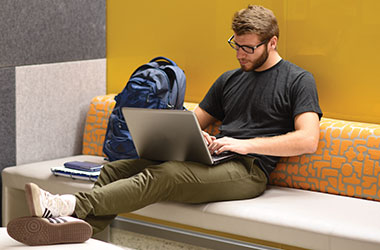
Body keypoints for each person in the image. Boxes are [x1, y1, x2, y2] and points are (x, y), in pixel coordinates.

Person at [7, 5, 322, 246]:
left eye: (248, 48)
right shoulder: (230, 79)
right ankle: (79, 234)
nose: (240, 54)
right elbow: (194, 120)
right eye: (236, 45)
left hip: (250, 170)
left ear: (272, 43)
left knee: (166, 174)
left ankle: (65, 206)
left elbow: (308, 140)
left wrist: (244, 144)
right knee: (116, 169)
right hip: (215, 159)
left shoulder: (298, 80)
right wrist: (193, 134)